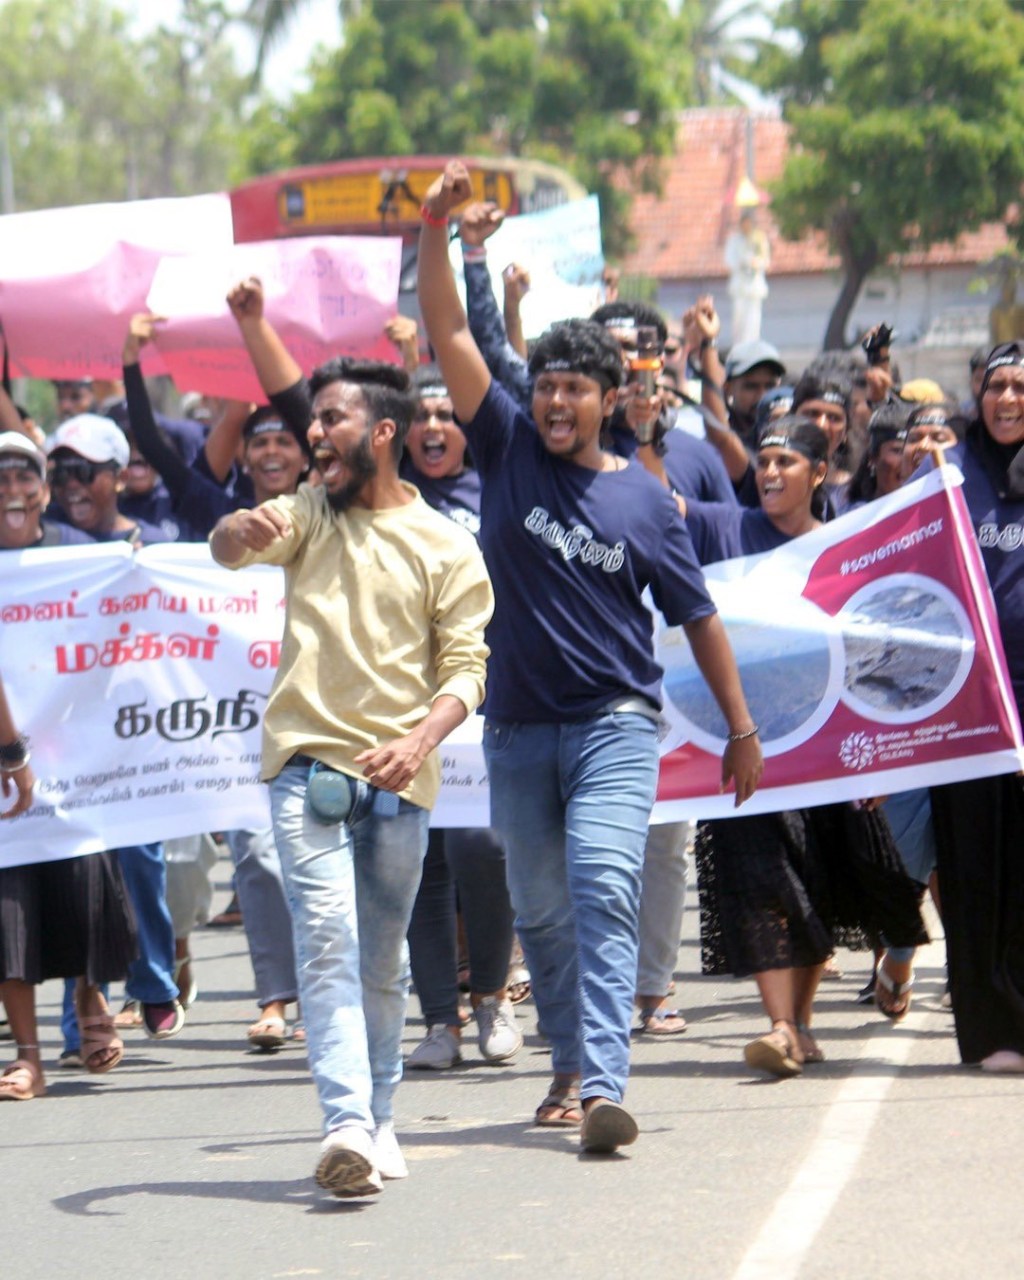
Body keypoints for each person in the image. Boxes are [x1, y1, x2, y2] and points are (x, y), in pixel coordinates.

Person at [418, 159, 762, 1155]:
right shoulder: (509, 444)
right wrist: (436, 227)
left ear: (613, 397)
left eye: (578, 389)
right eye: (550, 386)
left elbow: (699, 619)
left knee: (604, 882)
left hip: (615, 724)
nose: (559, 402)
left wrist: (740, 731)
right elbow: (448, 332)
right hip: (517, 730)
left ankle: (605, 1078)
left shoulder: (650, 504)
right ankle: (567, 1058)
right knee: (542, 907)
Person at [210, 354, 493, 1197]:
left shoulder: (447, 544)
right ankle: (344, 1125)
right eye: (312, 423)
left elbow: (467, 668)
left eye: (331, 420)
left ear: (380, 433)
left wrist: (419, 741)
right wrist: (236, 533)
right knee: (327, 942)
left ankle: (380, 1116)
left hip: (401, 784)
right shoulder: (307, 513)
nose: (313, 434)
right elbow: (230, 548)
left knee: (381, 960)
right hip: (305, 771)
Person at [642, 415, 927, 1074]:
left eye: (786, 463)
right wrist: (649, 443)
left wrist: (878, 757)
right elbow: (658, 506)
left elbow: (874, 656)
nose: (769, 473)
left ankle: (799, 1022)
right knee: (762, 881)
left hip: (825, 751)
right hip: (745, 745)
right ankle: (778, 1024)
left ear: (819, 474)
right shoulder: (724, 527)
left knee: (817, 885)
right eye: (763, 462)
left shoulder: (843, 547)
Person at [399, 365, 521, 1070]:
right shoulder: (385, 502)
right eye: (422, 415)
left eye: (448, 413)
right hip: (402, 699)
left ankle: (495, 999)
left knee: (479, 843)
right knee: (422, 855)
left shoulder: (497, 488)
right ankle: (439, 1020)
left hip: (481, 693)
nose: (436, 426)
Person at [927, 342, 1024, 1071]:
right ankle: (993, 1028)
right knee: (975, 871)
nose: (1008, 399)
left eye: (1021, 386)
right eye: (996, 386)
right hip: (968, 712)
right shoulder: (952, 474)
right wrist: (917, 477)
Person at [724, 207, 770, 345]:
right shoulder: (734, 240)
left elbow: (765, 260)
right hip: (740, 286)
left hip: (754, 287)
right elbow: (729, 260)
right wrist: (743, 262)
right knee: (739, 319)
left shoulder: (760, 239)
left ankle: (752, 343)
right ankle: (739, 345)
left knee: (753, 320)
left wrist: (755, 262)